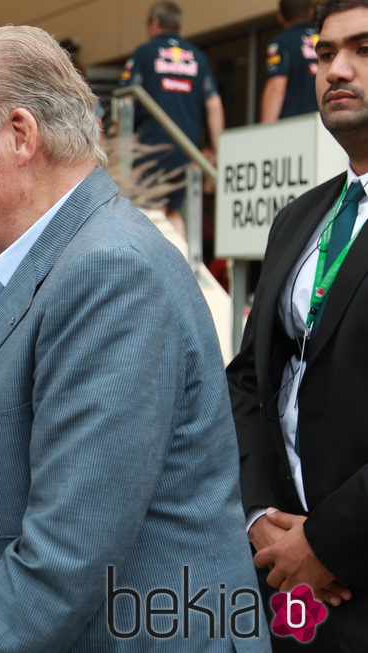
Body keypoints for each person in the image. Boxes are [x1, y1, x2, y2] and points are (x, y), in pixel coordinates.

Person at [0, 25, 267, 651]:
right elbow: (29, 456)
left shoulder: (108, 272)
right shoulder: (64, 260)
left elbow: (69, 548)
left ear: (20, 136)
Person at [227, 1, 368, 649]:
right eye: (325, 53)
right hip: (284, 578)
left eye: (364, 50)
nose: (338, 69)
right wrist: (259, 514)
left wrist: (328, 539)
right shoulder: (296, 218)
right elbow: (249, 382)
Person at [120, 1, 225, 239]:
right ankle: (185, 262)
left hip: (150, 146)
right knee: (172, 211)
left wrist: (119, 145)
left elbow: (126, 101)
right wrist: (216, 151)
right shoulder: (198, 57)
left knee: (149, 210)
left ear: (155, 23)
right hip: (186, 149)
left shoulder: (144, 52)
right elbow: (214, 103)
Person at [260, 0, 319, 123]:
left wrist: (265, 132)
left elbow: (276, 87)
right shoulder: (324, 39)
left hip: (294, 125)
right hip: (328, 123)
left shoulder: (282, 42)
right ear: (311, 13)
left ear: (280, 17)